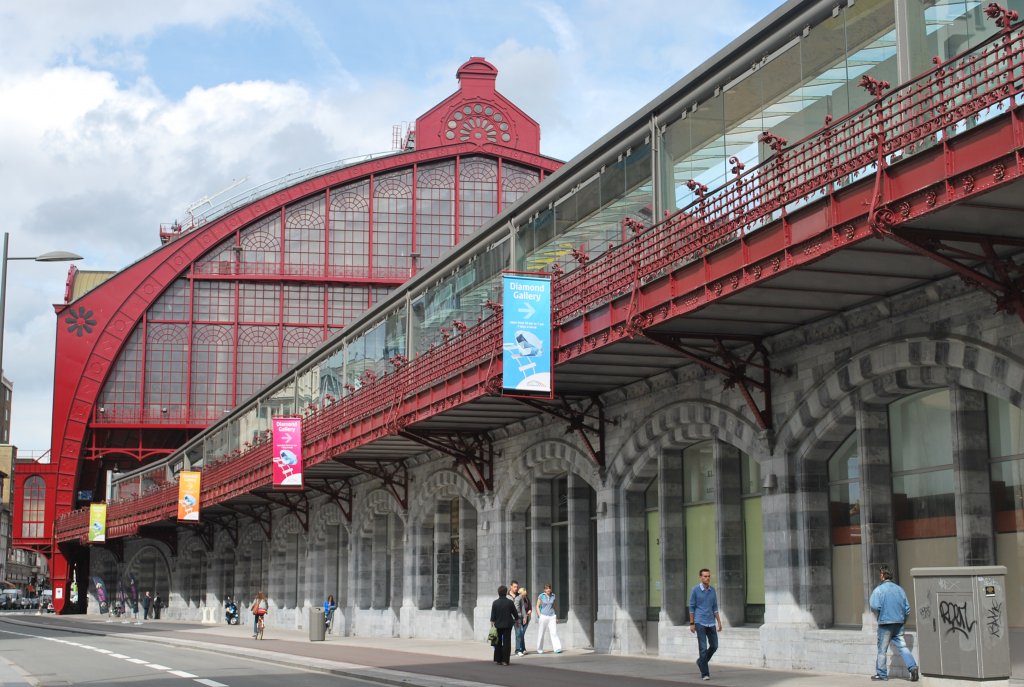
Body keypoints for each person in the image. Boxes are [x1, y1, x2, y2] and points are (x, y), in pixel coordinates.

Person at [869, 565, 919, 682]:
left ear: (882, 575)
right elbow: (907, 609)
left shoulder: (879, 590)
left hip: (885, 623)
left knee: (882, 650)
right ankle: (913, 668)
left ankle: (881, 674)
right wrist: (902, 620)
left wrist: (881, 614)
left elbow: (874, 605)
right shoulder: (900, 589)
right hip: (899, 623)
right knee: (902, 647)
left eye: (880, 574)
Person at [689, 568, 722, 681]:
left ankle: (701, 662)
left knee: (714, 646)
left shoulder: (712, 591)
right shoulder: (695, 590)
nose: (707, 578)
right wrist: (692, 623)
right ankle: (705, 673)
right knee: (702, 648)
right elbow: (692, 608)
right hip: (699, 622)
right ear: (700, 577)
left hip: (711, 622)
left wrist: (719, 622)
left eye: (708, 576)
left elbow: (715, 608)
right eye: (705, 576)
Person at [489, 585, 518, 665]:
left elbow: (492, 617)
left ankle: (498, 660)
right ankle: (505, 660)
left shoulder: (495, 603)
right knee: (507, 642)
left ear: (498, 593)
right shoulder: (510, 602)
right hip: (508, 625)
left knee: (498, 642)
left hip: (498, 625)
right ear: (506, 593)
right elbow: (515, 613)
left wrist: (492, 626)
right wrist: (517, 621)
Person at [535, 583, 562, 654]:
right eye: (547, 588)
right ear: (544, 590)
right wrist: (540, 615)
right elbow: (537, 606)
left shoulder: (553, 596)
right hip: (543, 616)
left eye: (549, 588)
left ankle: (557, 648)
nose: (548, 590)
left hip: (552, 616)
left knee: (554, 632)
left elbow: (554, 606)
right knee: (541, 633)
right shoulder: (541, 596)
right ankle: (539, 649)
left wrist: (556, 615)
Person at [513, 586, 531, 656]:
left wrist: (525, 617)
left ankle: (522, 649)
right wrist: (521, 616)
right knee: (519, 634)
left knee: (521, 633)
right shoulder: (518, 598)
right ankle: (518, 650)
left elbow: (523, 608)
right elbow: (516, 608)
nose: (524, 596)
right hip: (517, 618)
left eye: (525, 595)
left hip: (521, 618)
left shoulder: (522, 599)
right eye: (524, 595)